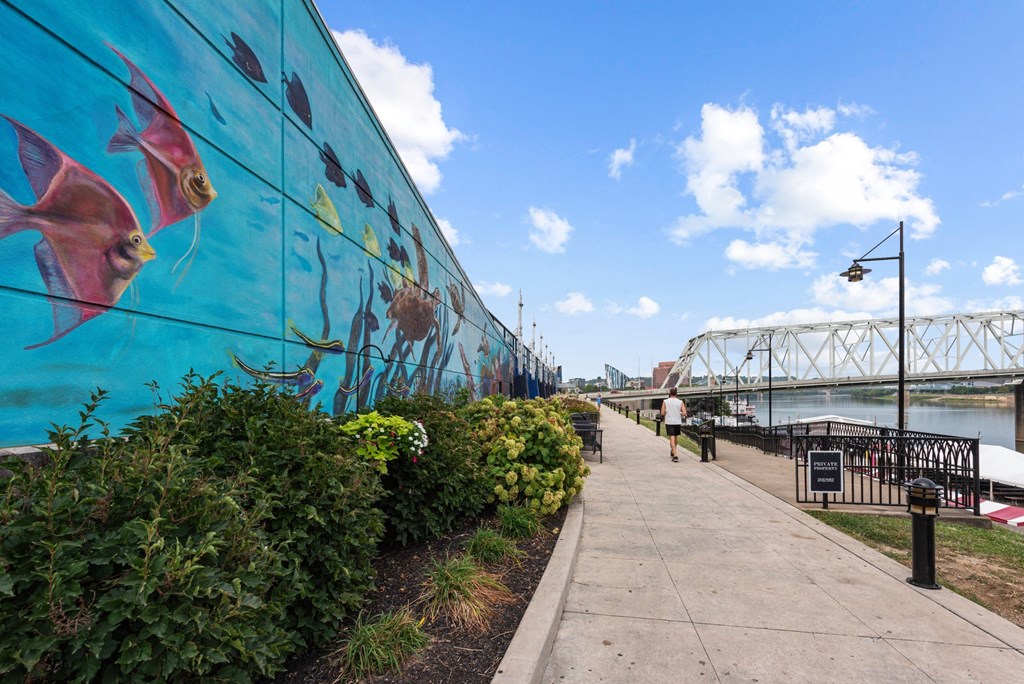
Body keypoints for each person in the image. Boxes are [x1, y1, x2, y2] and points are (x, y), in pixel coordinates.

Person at [660, 387, 687, 462]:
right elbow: (684, 413)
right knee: (675, 437)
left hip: (669, 422)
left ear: (670, 393)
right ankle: (673, 451)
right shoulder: (680, 402)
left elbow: (662, 413)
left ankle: (675, 455)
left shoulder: (665, 401)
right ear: (676, 393)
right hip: (677, 421)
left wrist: (666, 412)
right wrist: (679, 413)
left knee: (672, 437)